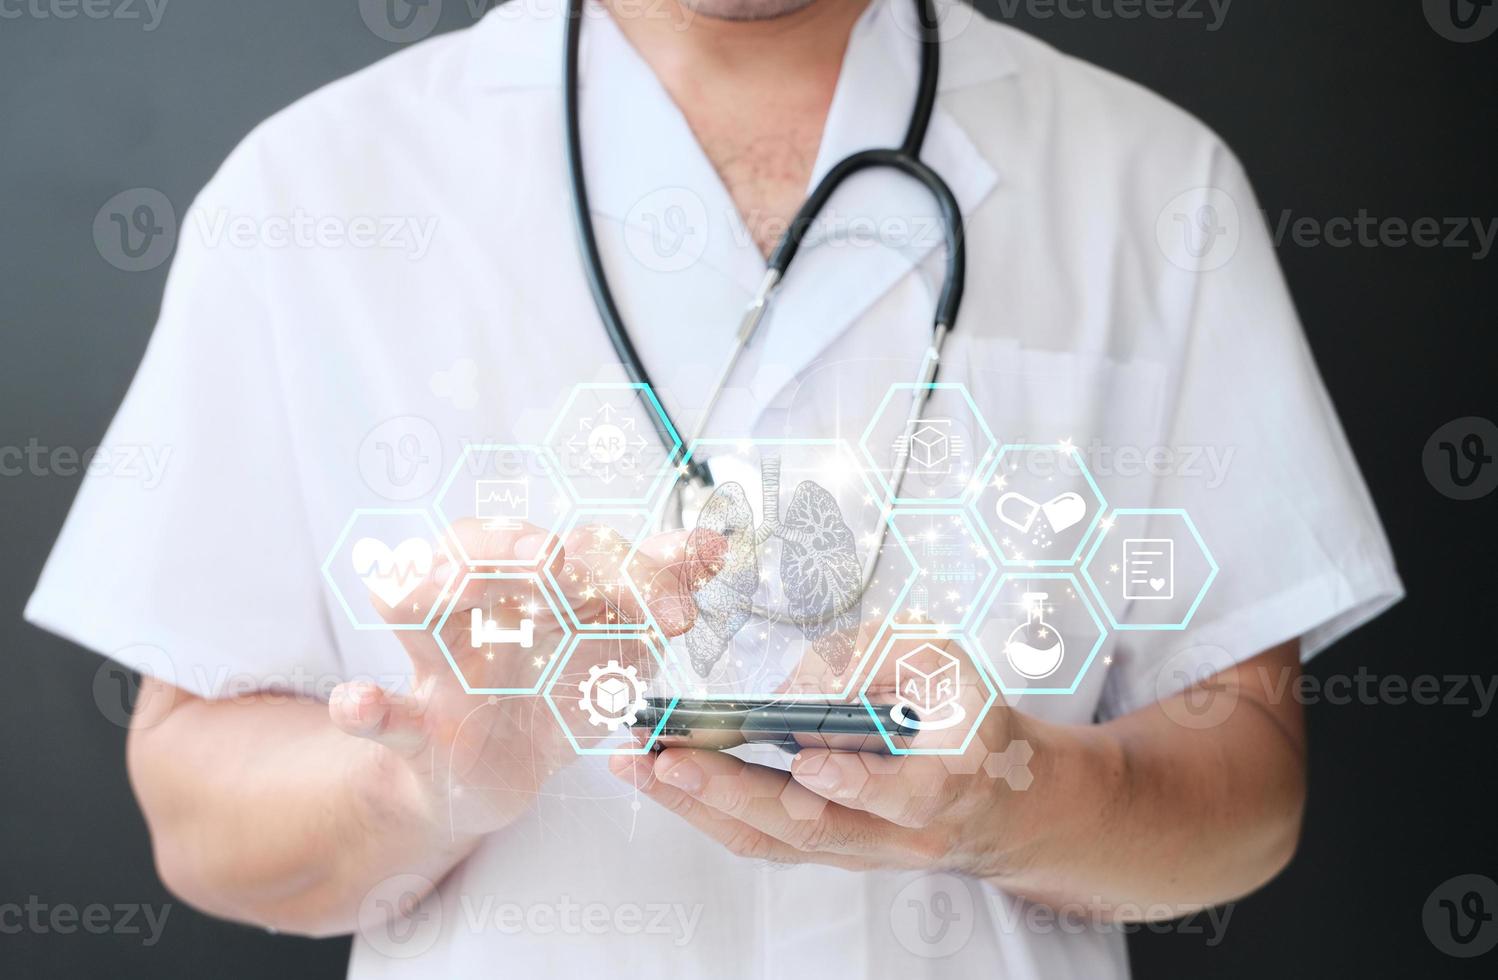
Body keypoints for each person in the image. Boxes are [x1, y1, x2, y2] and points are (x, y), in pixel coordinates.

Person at [26, 0, 1403, 976]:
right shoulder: (310, 192)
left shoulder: (1149, 185)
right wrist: (425, 785)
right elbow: (194, 808)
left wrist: (1011, 796)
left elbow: (1245, 792)